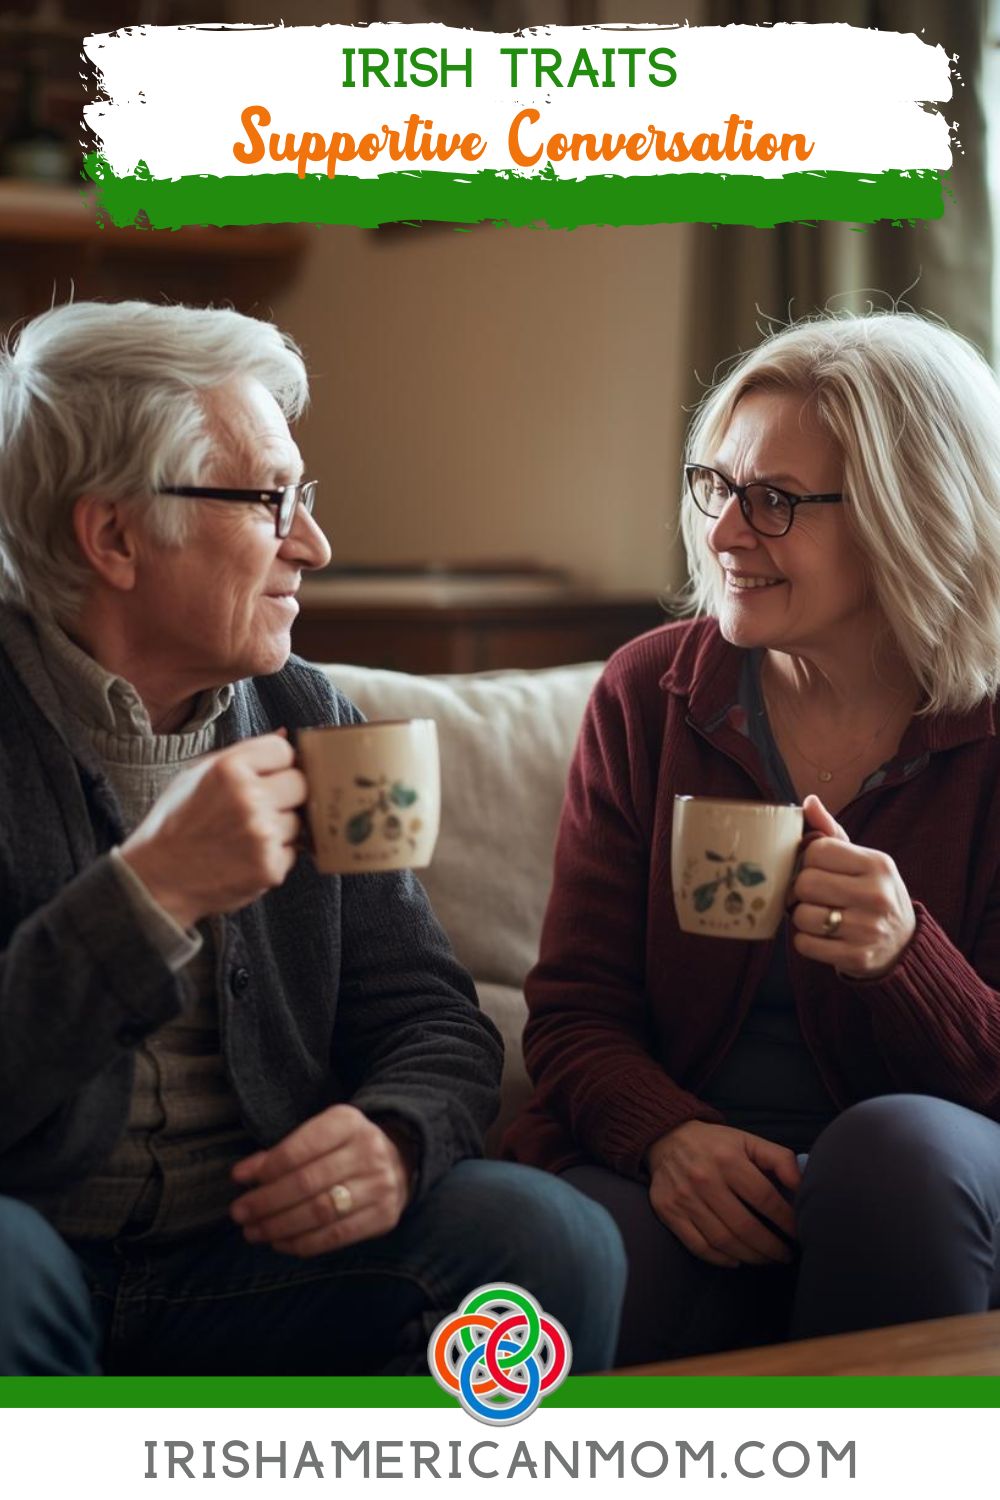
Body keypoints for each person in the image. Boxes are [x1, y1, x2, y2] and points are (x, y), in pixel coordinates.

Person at [0, 299, 625, 1376]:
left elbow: (430, 1011)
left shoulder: (308, 717)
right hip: (33, 1249)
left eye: (306, 497)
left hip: (256, 1263)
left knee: (544, 1236)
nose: (316, 544)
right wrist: (146, 898)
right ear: (112, 536)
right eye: (268, 501)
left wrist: (396, 1135)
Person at [504, 311, 1000, 1366]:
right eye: (716, 487)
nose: (726, 533)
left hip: (928, 1171)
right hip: (690, 1160)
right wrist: (666, 1136)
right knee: (566, 1252)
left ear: (912, 515)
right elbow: (573, 1015)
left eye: (773, 502)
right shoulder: (651, 694)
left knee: (893, 1154)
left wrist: (909, 961)